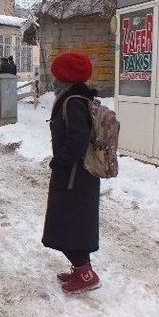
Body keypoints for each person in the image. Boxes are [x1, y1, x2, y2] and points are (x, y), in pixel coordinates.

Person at [41, 51, 101, 294]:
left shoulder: (73, 101)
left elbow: (78, 139)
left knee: (68, 223)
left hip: (75, 176)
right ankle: (80, 269)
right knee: (73, 223)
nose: (53, 80)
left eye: (56, 75)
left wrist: (61, 161)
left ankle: (86, 273)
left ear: (65, 77)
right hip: (77, 175)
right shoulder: (77, 97)